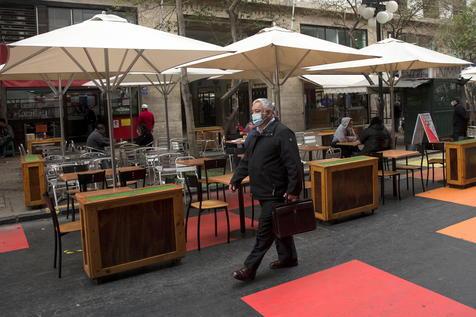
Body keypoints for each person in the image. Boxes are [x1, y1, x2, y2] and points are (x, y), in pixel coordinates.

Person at [229, 98, 303, 282]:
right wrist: (236, 178)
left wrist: (294, 189)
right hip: (262, 190)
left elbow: (293, 164)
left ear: (269, 113)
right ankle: (288, 257)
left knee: (265, 230)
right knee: (279, 224)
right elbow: (248, 160)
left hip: (276, 191)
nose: (254, 114)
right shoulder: (257, 133)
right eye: (253, 110)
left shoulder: (282, 132)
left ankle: (249, 268)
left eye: (258, 110)